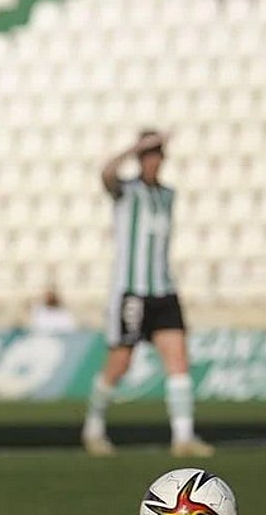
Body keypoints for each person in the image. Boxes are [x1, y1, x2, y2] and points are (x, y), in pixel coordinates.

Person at [80, 131, 215, 458]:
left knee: (178, 359)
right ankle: (93, 426)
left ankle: (183, 436)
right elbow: (106, 174)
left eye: (157, 153)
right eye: (148, 154)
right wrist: (132, 148)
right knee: (120, 362)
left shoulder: (168, 195)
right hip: (132, 292)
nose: (153, 160)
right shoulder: (127, 192)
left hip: (164, 289)